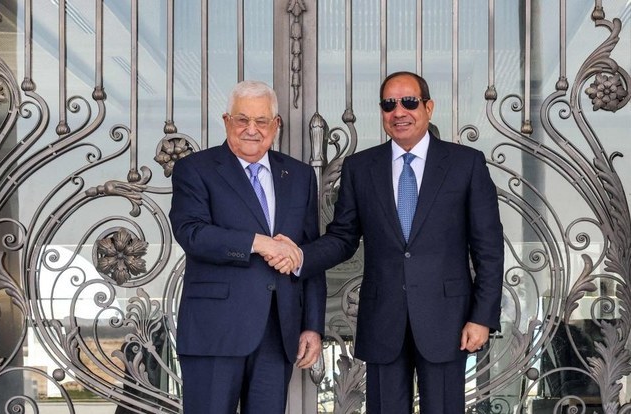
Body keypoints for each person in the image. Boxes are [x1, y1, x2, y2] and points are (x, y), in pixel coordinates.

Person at [273, 71, 504, 413]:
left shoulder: (465, 164)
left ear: (428, 107)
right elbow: (343, 237)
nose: (399, 112)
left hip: (448, 321)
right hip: (383, 320)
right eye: (389, 104)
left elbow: (488, 248)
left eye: (409, 102)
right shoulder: (360, 167)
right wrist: (299, 257)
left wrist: (482, 316)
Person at [169, 80, 326, 414]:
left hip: (277, 333)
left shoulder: (299, 176)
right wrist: (258, 243)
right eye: (242, 119)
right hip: (214, 331)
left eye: (261, 121)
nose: (251, 129)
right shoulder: (195, 169)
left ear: (276, 125)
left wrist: (312, 325)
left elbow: (308, 254)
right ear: (227, 121)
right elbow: (191, 233)